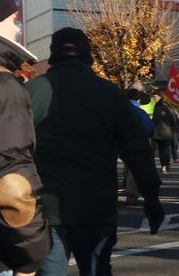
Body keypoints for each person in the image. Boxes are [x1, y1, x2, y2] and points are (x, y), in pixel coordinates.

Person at [26, 27, 164, 275]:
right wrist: (151, 199)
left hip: (45, 208)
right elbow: (137, 151)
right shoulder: (109, 93)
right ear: (87, 54)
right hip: (96, 206)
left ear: (53, 54)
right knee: (97, 269)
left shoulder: (31, 92)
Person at [0, 0, 51, 276]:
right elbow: (12, 182)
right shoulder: (6, 87)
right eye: (13, 18)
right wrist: (29, 258)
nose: (18, 27)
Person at [124, 89, 156, 205]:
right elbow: (149, 128)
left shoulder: (119, 110)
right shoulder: (139, 112)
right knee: (135, 170)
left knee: (127, 168)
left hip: (121, 144)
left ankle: (128, 189)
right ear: (138, 99)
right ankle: (131, 194)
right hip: (137, 143)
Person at [152, 90, 179, 174]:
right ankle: (164, 164)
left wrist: (174, 130)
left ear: (160, 96)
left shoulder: (167, 107)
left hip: (166, 132)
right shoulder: (156, 106)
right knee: (157, 150)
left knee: (164, 150)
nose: (153, 98)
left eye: (155, 96)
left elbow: (174, 119)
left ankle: (164, 165)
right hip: (156, 132)